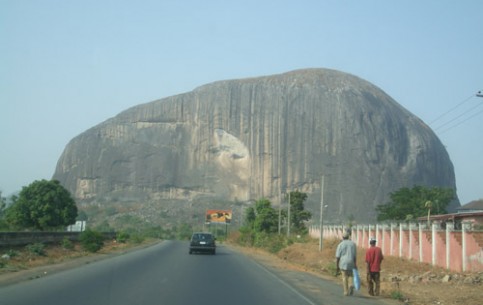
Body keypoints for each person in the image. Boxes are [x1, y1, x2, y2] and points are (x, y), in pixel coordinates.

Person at [335, 230, 357, 296]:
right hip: (351, 261)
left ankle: (346, 291)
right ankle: (351, 284)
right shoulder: (353, 244)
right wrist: (355, 264)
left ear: (343, 237)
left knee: (344, 277)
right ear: (348, 237)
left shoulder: (340, 244)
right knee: (350, 275)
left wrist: (337, 266)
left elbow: (338, 256)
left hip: (343, 262)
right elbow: (354, 255)